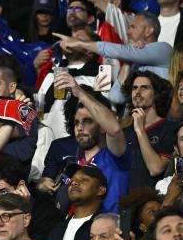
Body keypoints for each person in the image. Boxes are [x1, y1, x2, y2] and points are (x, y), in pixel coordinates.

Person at [56, 75, 130, 213]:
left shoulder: (115, 157)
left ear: (102, 127)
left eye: (87, 121)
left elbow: (114, 130)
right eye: (76, 122)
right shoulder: (73, 166)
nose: (79, 127)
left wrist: (80, 93)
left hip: (109, 228)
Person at [122, 71, 177, 189]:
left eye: (144, 88)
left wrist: (140, 131)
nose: (137, 92)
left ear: (156, 94)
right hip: (125, 203)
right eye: (134, 88)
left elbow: (156, 169)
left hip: (153, 201)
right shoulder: (124, 133)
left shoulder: (171, 129)